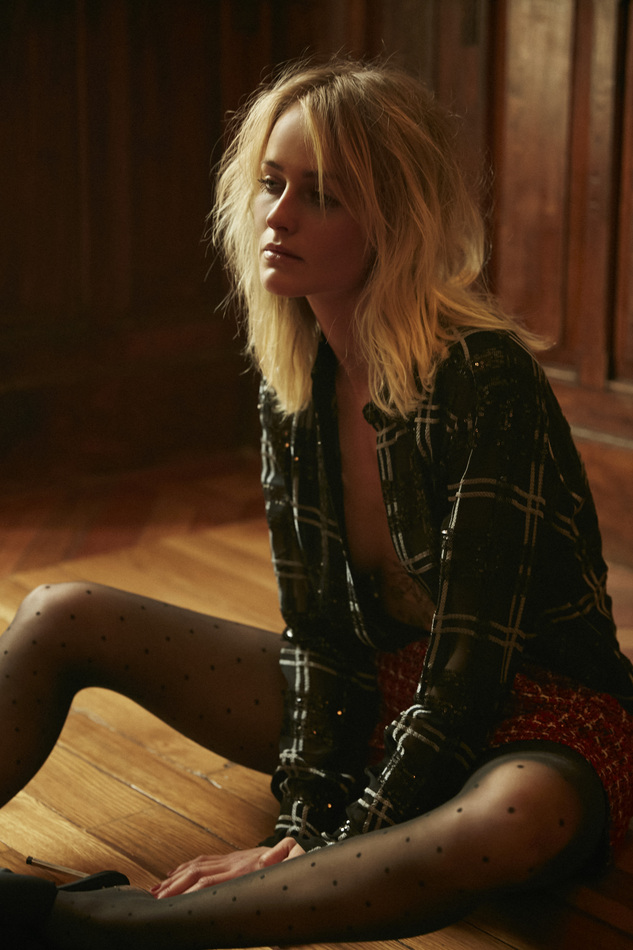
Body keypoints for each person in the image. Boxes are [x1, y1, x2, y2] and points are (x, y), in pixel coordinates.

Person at [2, 57, 633, 950]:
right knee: (61, 611)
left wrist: (325, 843)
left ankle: (82, 924)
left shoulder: (483, 379)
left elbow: (470, 671)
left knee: (509, 820)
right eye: (271, 183)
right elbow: (322, 637)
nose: (279, 215)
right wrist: (303, 816)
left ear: (396, 221)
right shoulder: (296, 378)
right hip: (381, 691)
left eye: (322, 195)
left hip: (535, 711)